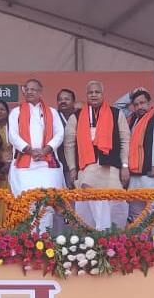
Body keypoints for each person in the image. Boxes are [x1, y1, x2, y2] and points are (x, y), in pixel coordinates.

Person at [64, 80, 131, 231]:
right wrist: (72, 168)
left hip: (111, 168)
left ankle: (114, 239)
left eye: (97, 92)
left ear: (102, 94)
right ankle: (92, 240)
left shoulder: (116, 113)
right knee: (88, 208)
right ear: (86, 95)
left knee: (117, 206)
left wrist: (125, 165)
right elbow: (69, 144)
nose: (94, 95)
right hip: (87, 168)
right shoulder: (76, 116)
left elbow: (125, 140)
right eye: (90, 92)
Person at [8, 78, 64, 232]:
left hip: (47, 164)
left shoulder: (52, 112)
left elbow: (60, 134)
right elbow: (12, 136)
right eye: (27, 89)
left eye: (33, 89)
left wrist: (45, 150)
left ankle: (45, 238)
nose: (30, 92)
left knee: (47, 204)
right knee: (28, 204)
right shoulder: (16, 112)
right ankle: (29, 240)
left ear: (40, 92)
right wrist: (30, 150)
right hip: (25, 165)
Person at [125, 89, 154, 234]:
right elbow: (118, 106)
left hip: (152, 175)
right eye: (136, 104)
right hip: (134, 177)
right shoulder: (131, 121)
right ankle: (141, 246)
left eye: (142, 103)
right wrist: (131, 93)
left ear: (150, 103)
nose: (139, 107)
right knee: (136, 216)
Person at [56, 88, 77, 188]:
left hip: (77, 163)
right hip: (59, 163)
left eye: (67, 99)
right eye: (60, 99)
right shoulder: (53, 116)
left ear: (74, 102)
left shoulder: (80, 116)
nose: (63, 101)